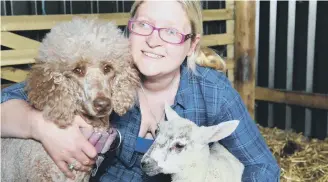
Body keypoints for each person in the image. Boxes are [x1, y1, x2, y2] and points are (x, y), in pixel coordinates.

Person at [1, 1, 280, 181]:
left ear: (191, 45)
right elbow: (6, 103)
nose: (153, 41)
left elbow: (263, 167)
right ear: (129, 30)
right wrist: (40, 125)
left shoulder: (212, 92)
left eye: (171, 32)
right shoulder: (107, 75)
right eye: (144, 25)